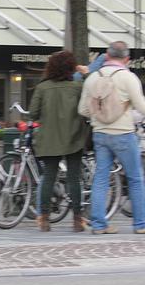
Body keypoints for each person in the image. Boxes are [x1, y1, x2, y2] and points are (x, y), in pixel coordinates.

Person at [79, 41, 145, 234]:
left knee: (100, 179)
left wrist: (99, 116)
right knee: (135, 178)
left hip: (100, 133)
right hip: (123, 134)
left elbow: (82, 110)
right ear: (126, 59)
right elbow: (141, 107)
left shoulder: (92, 78)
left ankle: (99, 224)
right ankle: (140, 224)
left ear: (107, 56)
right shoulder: (128, 77)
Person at [29, 51, 89, 232]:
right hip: (74, 137)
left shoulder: (42, 88)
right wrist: (86, 74)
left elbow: (33, 113)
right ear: (71, 67)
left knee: (48, 177)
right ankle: (78, 219)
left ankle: (44, 219)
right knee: (74, 178)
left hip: (49, 139)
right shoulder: (77, 87)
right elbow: (88, 104)